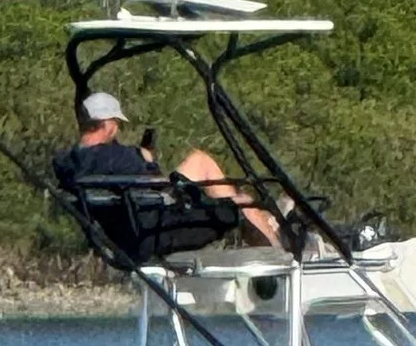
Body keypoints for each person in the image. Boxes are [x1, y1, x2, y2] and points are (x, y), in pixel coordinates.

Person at [57, 91, 284, 248]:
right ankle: (279, 245)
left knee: (222, 187)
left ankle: (269, 224)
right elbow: (155, 182)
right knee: (235, 195)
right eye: (116, 124)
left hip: (122, 233)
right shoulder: (122, 157)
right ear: (107, 124)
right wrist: (147, 159)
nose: (116, 130)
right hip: (152, 228)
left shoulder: (66, 163)